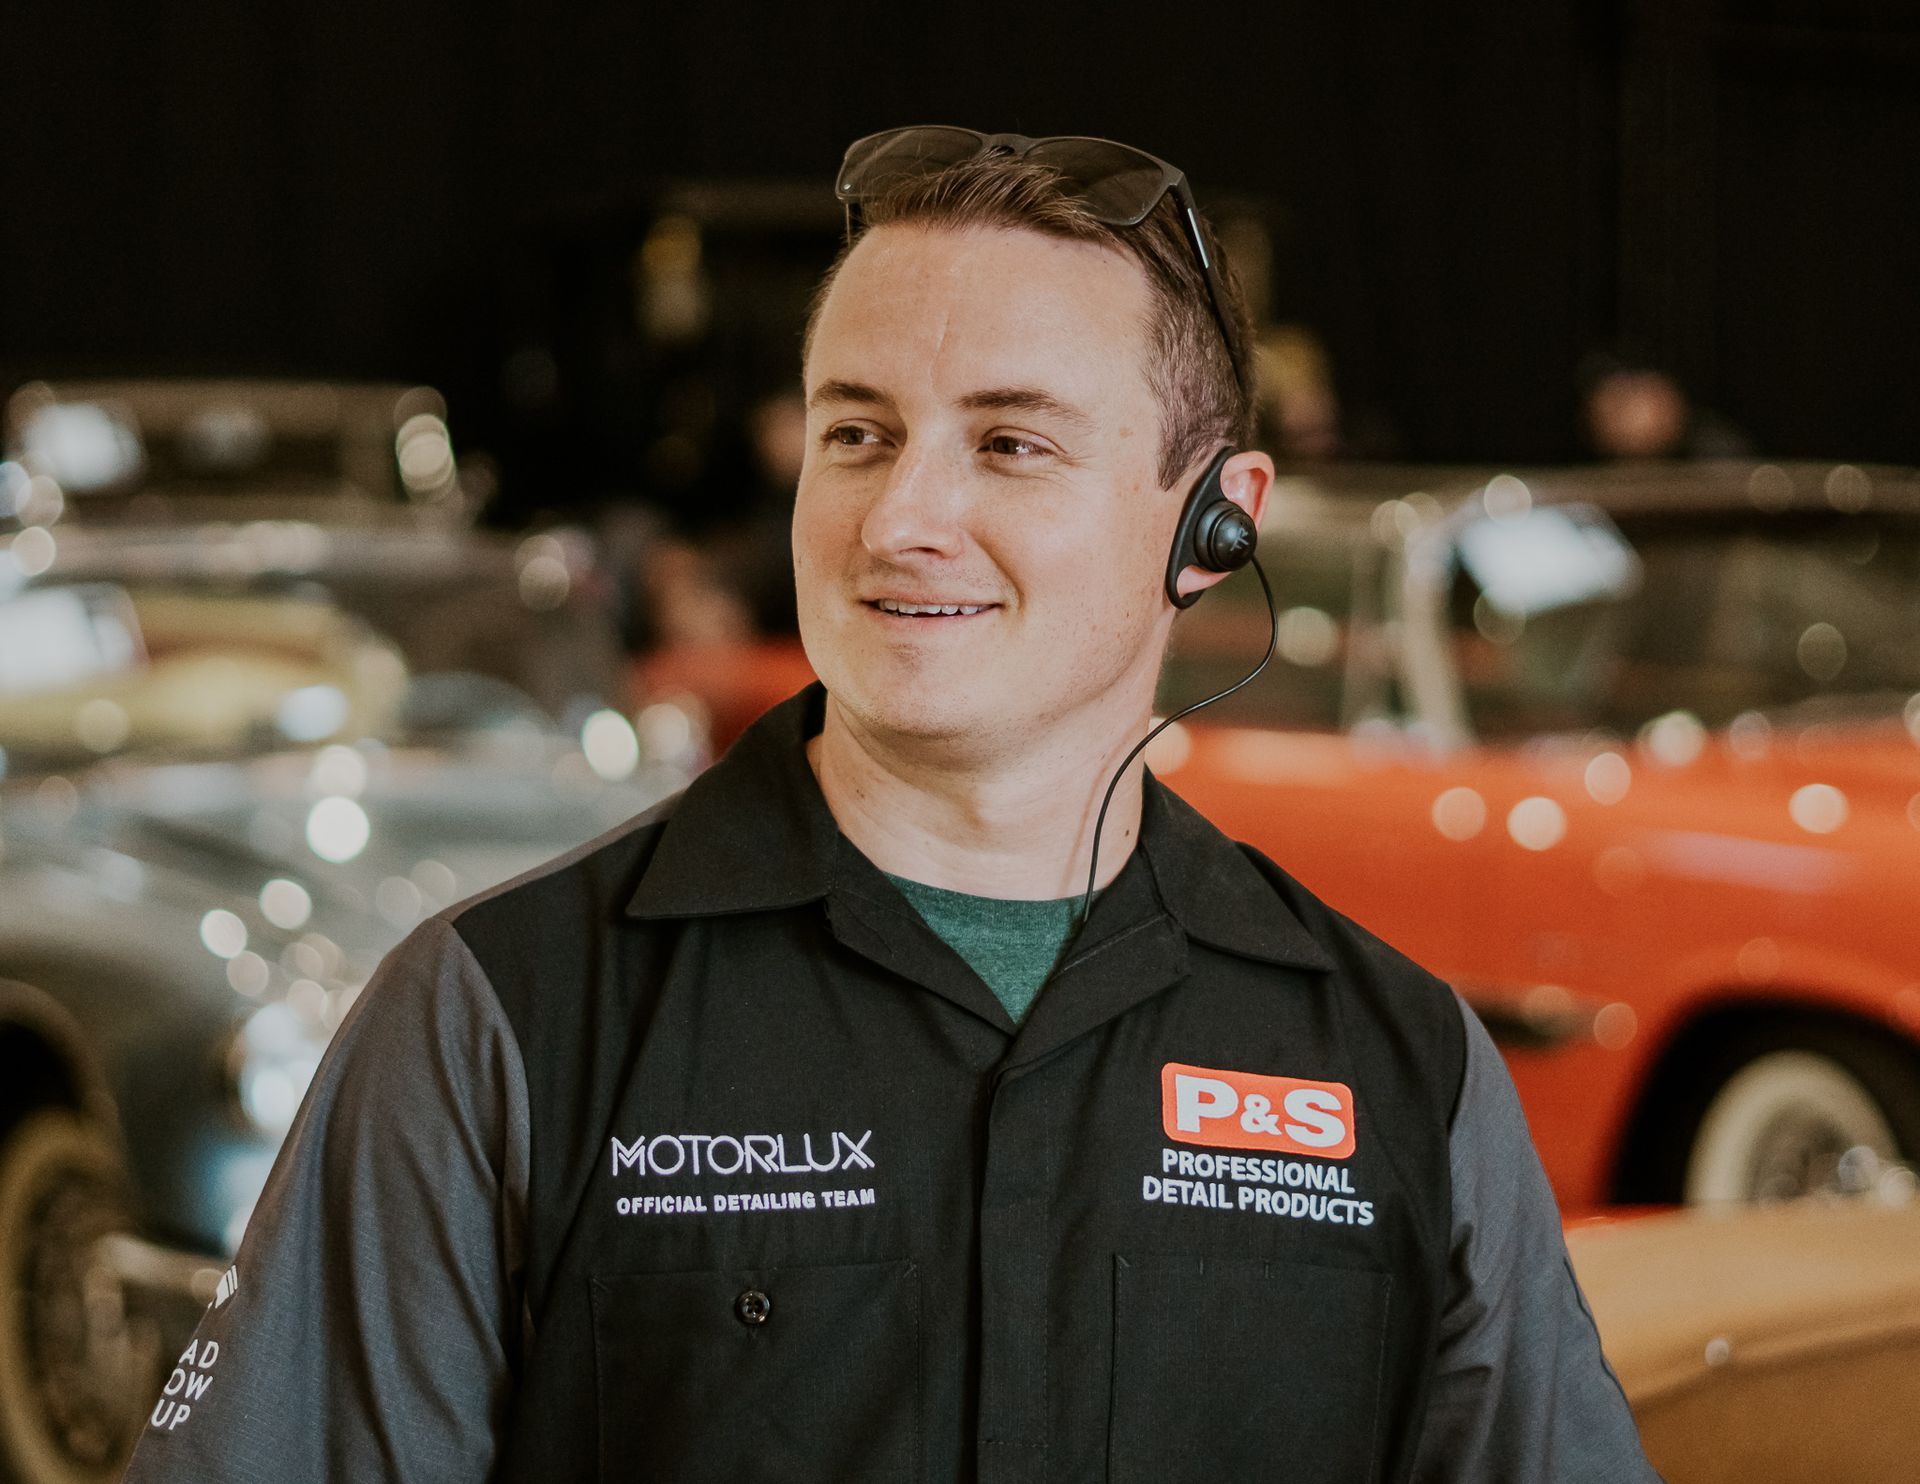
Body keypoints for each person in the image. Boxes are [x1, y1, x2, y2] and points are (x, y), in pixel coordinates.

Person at [124, 127, 1660, 1482]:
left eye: (1010, 443)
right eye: (856, 432)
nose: (902, 517)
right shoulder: (497, 1021)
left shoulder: (1397, 1064)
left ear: (1215, 522)